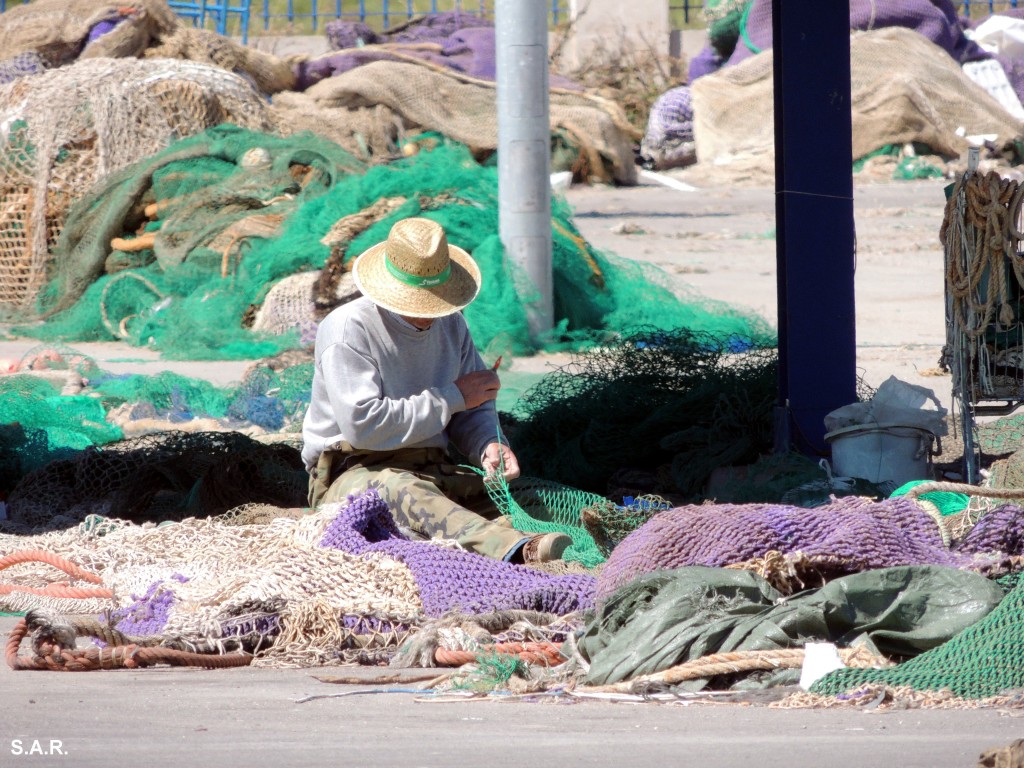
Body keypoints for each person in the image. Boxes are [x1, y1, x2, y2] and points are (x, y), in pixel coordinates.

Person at [301, 216, 571, 564]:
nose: (429, 314)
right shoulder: (348, 328)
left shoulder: (452, 324)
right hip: (350, 472)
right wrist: (452, 397)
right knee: (404, 492)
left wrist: (488, 444)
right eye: (419, 303)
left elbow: (473, 407)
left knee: (532, 496)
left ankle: (527, 531)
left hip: (431, 467)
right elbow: (363, 426)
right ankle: (517, 550)